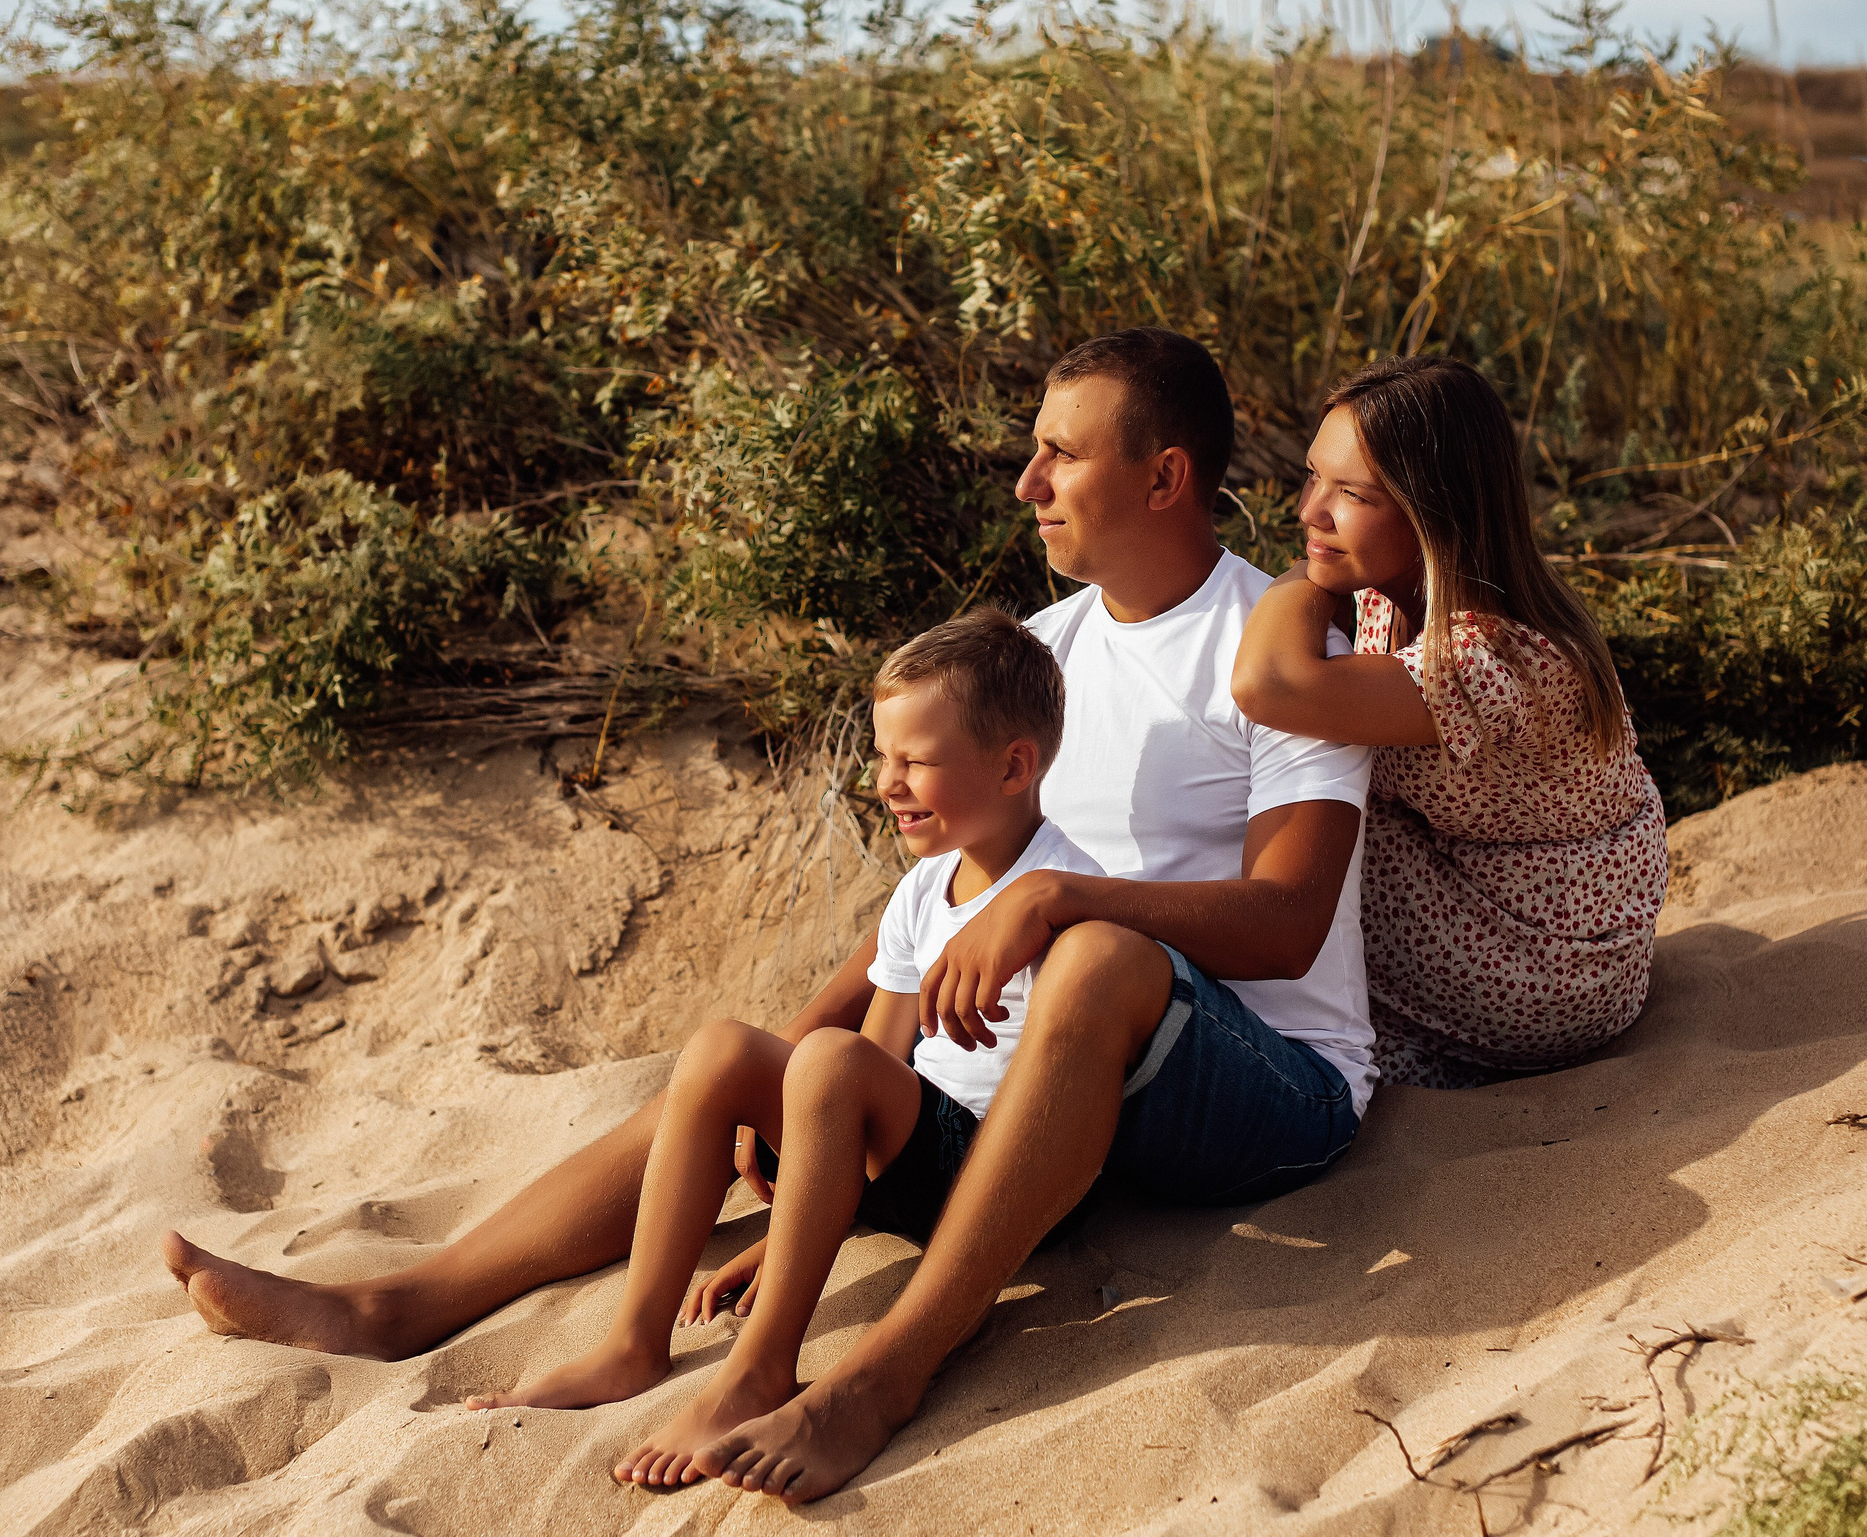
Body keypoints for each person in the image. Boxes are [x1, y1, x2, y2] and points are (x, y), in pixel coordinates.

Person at [164, 326, 1376, 1507]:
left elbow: (1286, 928)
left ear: (1164, 478)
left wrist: (1067, 899)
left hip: (1258, 1084)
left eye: (1061, 453)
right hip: (1050, 1086)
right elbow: (935, 915)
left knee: (1095, 956)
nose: (1027, 482)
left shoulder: (1274, 651)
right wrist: (801, 1119)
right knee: (755, 1059)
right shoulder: (1041, 657)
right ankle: (400, 1307)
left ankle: (881, 1377)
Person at [478, 608, 1102, 1491]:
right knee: (723, 1050)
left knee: (829, 1059)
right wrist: (793, 1225)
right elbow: (875, 1062)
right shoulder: (923, 889)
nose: (887, 782)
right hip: (916, 1156)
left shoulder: (1065, 893)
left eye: (917, 761)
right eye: (882, 756)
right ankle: (633, 1342)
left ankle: (760, 1368)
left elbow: (1057, 1097)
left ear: (1013, 766)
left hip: (1004, 1183)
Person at [1231, 354, 1669, 1090]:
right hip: (1507, 910)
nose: (1309, 511)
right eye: (1313, 476)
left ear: (1435, 511)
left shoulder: (1499, 657)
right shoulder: (1391, 595)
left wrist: (1303, 576)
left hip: (1551, 965)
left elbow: (1267, 683)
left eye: (1352, 494)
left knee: (1304, 821)